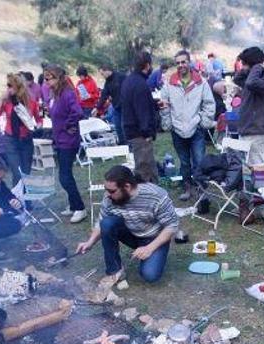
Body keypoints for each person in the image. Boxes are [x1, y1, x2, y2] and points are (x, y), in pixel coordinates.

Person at [75, 165, 178, 284]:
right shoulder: (109, 197)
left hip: (154, 237)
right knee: (107, 223)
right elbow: (101, 221)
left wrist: (149, 248)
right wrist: (90, 242)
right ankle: (115, 271)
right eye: (106, 190)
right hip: (130, 233)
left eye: (112, 191)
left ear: (127, 187)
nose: (107, 194)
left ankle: (154, 253)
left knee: (150, 275)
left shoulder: (156, 195)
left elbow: (171, 226)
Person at [159, 50, 215, 201]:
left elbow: (209, 104)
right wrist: (168, 123)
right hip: (177, 129)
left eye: (183, 62)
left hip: (195, 127)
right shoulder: (169, 84)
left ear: (189, 62)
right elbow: (164, 105)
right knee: (184, 162)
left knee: (199, 160)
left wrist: (203, 122)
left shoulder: (200, 82)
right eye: (177, 63)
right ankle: (187, 187)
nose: (180, 65)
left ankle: (202, 189)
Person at [44, 65, 87, 223]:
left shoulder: (68, 94)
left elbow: (78, 112)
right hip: (59, 139)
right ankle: (72, 204)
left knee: (65, 176)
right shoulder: (55, 94)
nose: (46, 81)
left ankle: (80, 208)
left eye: (48, 78)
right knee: (64, 174)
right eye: (45, 78)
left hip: (68, 140)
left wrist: (68, 126)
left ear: (57, 78)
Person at [0, 73, 42, 185]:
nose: (8, 88)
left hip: (26, 140)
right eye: (7, 85)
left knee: (26, 173)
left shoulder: (31, 102)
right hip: (11, 140)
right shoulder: (6, 101)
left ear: (18, 87)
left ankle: (26, 200)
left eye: (10, 86)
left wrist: (38, 125)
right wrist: (0, 100)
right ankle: (17, 200)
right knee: (17, 173)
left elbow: (39, 118)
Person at [120, 51, 159, 183]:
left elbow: (135, 103)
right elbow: (142, 111)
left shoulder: (129, 80)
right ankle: (146, 198)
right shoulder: (140, 84)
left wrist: (155, 104)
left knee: (144, 165)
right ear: (147, 65)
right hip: (140, 133)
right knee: (145, 169)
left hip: (131, 130)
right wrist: (147, 132)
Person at [232, 46, 264, 165]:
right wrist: (249, 69)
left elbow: (251, 83)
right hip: (246, 129)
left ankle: (262, 185)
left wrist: (257, 66)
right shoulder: (250, 78)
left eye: (245, 64)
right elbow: (236, 79)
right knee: (246, 168)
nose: (243, 67)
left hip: (256, 130)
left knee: (257, 168)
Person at [96, 64, 126, 144]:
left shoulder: (121, 77)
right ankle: (122, 143)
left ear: (107, 70)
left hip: (125, 106)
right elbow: (104, 96)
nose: (102, 76)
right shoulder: (107, 83)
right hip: (116, 107)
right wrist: (97, 108)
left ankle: (129, 145)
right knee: (118, 126)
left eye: (102, 74)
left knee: (124, 126)